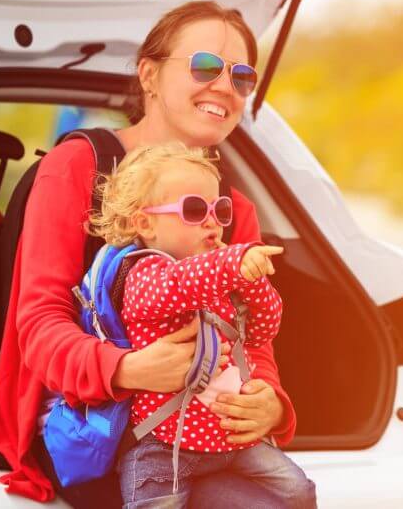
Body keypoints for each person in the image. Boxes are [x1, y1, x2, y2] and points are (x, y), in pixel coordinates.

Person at [0, 2, 300, 506]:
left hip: (199, 429)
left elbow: (249, 338)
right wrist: (125, 369)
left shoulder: (233, 207)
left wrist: (269, 401)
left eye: (242, 76)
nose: (225, 85)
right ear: (149, 75)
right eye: (205, 66)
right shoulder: (78, 167)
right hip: (92, 428)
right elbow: (39, 325)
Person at [82, 142, 314, 507]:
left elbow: (264, 328)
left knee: (299, 491)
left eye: (220, 210)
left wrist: (251, 281)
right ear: (146, 224)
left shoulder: (215, 276)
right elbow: (179, 284)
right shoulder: (145, 274)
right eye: (193, 209)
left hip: (227, 439)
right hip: (161, 448)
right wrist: (234, 260)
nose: (212, 220)